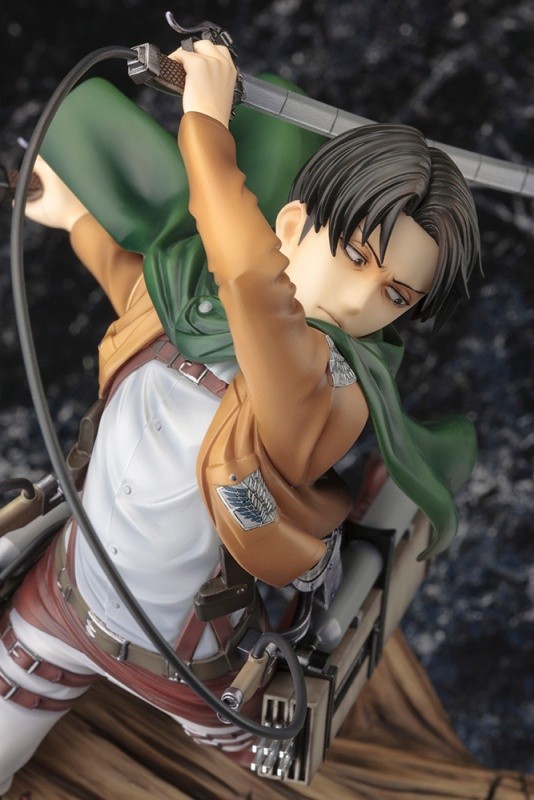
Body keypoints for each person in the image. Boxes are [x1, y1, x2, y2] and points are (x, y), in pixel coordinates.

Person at [0, 42, 481, 794]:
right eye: (354, 257)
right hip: (61, 605)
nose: (359, 301)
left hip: (186, 666)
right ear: (290, 225)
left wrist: (205, 126)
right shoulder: (195, 308)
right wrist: (75, 220)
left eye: (395, 296)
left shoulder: (326, 388)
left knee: (268, 773)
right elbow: (139, 284)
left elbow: (255, 285)